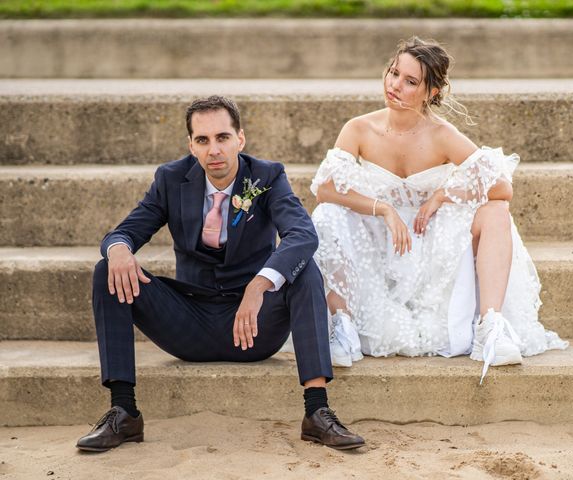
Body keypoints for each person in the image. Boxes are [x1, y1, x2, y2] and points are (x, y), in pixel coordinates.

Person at [76, 96, 365, 452]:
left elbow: (302, 235)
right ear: (191, 146)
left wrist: (260, 285)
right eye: (203, 140)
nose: (214, 149)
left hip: (254, 325)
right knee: (109, 267)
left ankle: (317, 412)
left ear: (240, 139)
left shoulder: (267, 176)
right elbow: (126, 230)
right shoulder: (170, 179)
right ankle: (124, 412)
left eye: (223, 137)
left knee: (305, 271)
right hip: (188, 322)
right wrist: (119, 248)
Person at [311, 37, 568, 381]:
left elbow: (502, 187)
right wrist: (382, 208)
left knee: (495, 212)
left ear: (431, 92)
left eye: (410, 81)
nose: (394, 85)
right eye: (393, 73)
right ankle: (341, 326)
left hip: (428, 241)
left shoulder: (443, 135)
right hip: (378, 242)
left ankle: (490, 325)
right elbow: (325, 188)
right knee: (328, 215)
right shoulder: (359, 128)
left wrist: (443, 194)